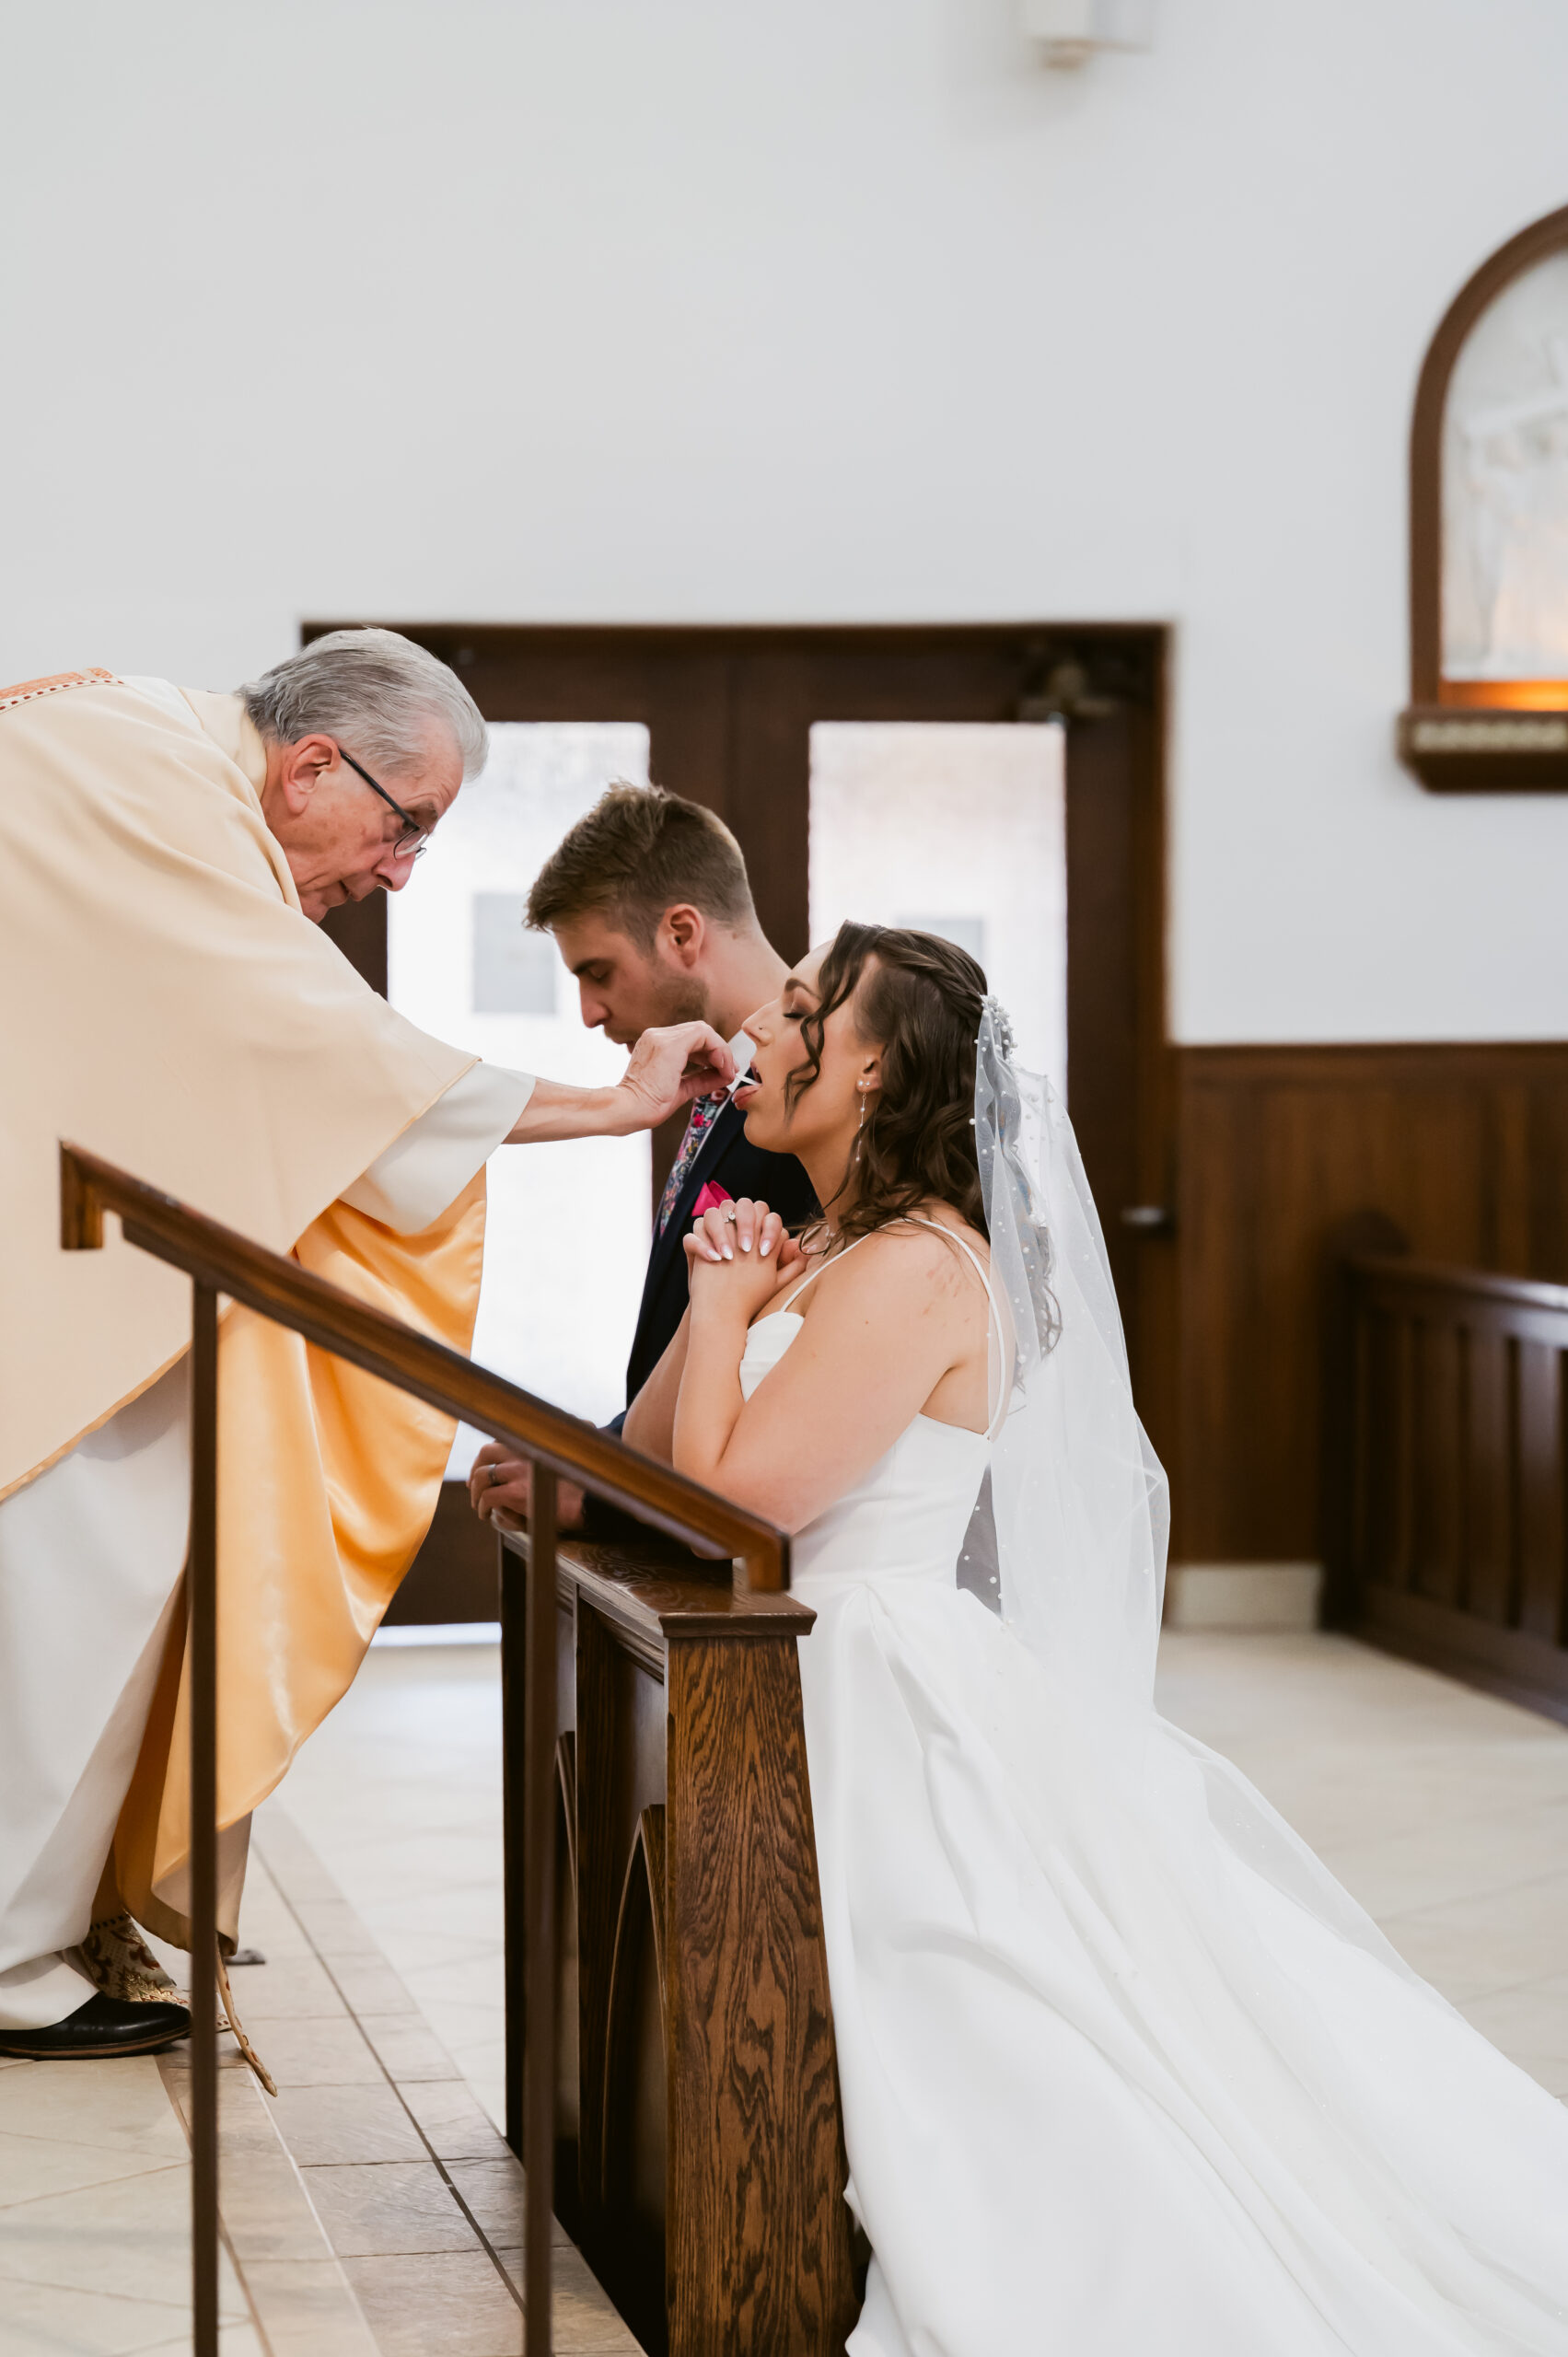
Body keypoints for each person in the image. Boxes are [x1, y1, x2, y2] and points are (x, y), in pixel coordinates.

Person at [621, 921, 1568, 2355]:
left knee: (988, 2027)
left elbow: (729, 1510)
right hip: (816, 1658)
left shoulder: (918, 1269)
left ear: (869, 1068)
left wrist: (713, 1305)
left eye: (798, 1011)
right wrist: (725, 1299)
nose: (757, 1031)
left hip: (871, 1671)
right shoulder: (828, 1247)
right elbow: (649, 1454)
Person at [0, 636, 732, 2060]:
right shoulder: (149, 781)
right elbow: (314, 1053)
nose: (398, 870)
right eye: (408, 826)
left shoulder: (137, 746)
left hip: (65, 1240)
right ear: (314, 762)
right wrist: (603, 1104)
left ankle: (51, 1910)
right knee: (83, 1566)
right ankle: (8, 1954)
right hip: (67, 1283)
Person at [468, 782, 816, 1534]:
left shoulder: (811, 1107)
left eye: (597, 972)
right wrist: (586, 1455)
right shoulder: (717, 1084)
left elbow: (797, 1362)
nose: (590, 1012)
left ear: (682, 933)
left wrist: (602, 1494)